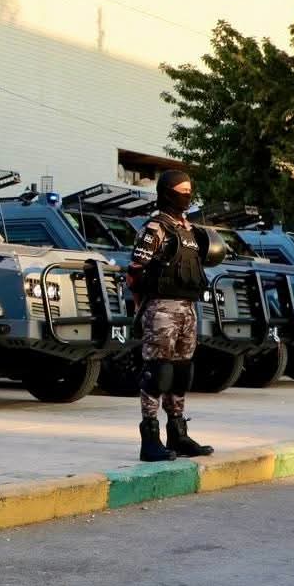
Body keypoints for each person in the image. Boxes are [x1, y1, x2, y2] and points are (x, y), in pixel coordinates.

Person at [127, 170, 214, 461]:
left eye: (190, 191)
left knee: (181, 373)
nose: (187, 196)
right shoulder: (156, 228)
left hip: (187, 308)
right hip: (161, 309)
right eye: (181, 191)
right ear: (167, 193)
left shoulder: (189, 230)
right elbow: (134, 271)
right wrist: (141, 308)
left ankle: (177, 435)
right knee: (157, 373)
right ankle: (150, 440)